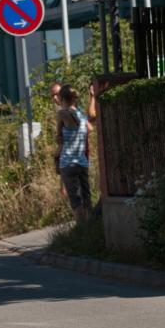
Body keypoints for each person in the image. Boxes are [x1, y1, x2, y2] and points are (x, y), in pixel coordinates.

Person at [55, 83, 93, 224]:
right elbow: (90, 129)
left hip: (68, 163)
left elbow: (58, 137)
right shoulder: (81, 114)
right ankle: (91, 228)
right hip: (82, 162)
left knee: (76, 202)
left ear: (61, 98)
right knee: (86, 198)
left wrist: (64, 137)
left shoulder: (62, 113)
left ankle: (81, 230)